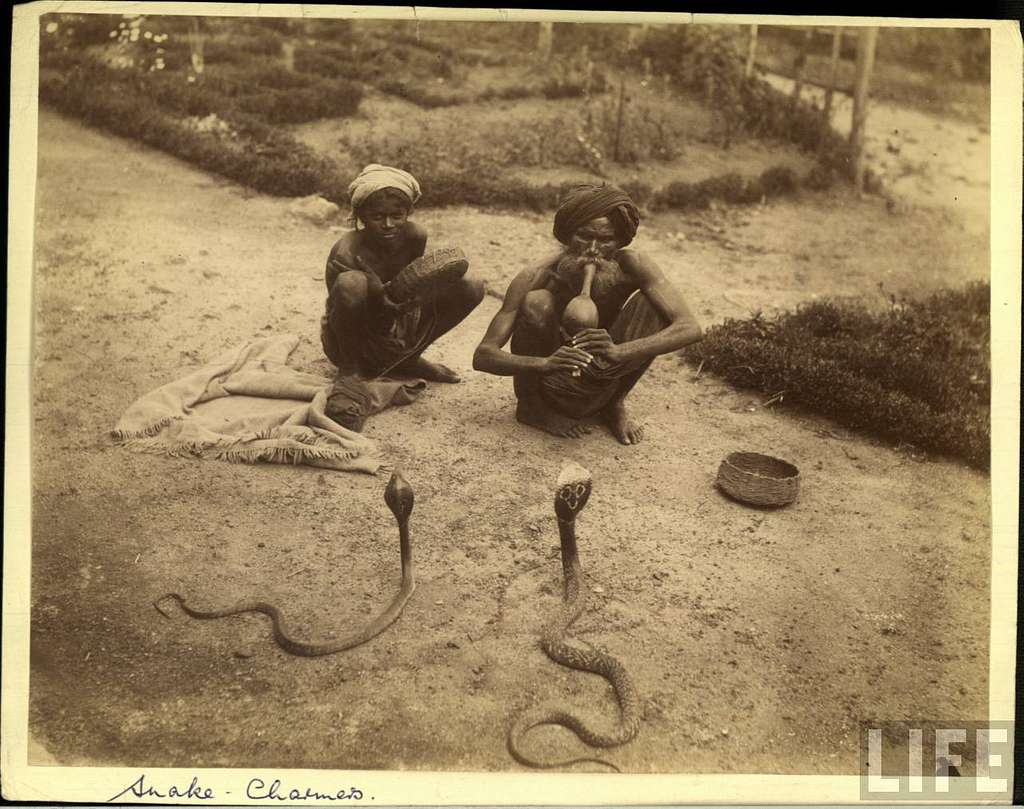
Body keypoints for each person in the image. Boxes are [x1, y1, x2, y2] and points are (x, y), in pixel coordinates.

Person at [472, 183, 703, 445]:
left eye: (605, 240)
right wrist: (545, 363)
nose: (592, 249)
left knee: (653, 306)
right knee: (538, 302)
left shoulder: (632, 265)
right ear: (567, 235)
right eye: (583, 236)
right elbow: (483, 356)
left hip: (608, 369)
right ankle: (531, 407)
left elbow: (690, 328)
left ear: (620, 241)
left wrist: (620, 352)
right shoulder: (536, 275)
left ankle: (614, 403)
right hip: (553, 379)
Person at [320, 165, 485, 429]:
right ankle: (350, 374)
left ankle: (409, 358)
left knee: (472, 286)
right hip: (353, 338)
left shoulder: (414, 235)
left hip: (398, 324)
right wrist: (376, 290)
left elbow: (412, 283)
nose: (388, 225)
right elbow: (343, 311)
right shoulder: (346, 252)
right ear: (360, 215)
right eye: (377, 217)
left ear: (408, 213)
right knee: (352, 282)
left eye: (397, 216)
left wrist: (407, 304)